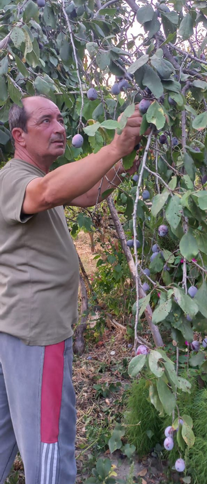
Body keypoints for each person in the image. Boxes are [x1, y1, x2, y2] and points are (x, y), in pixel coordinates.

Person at [0, 95, 143, 484]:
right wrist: (114, 145)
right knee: (49, 448)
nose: (60, 128)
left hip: (18, 333)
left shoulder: (41, 178)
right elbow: (48, 193)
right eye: (45, 121)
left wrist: (124, 162)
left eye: (60, 119)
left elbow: (88, 193)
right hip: (37, 336)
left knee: (4, 433)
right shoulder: (16, 179)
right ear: (20, 136)